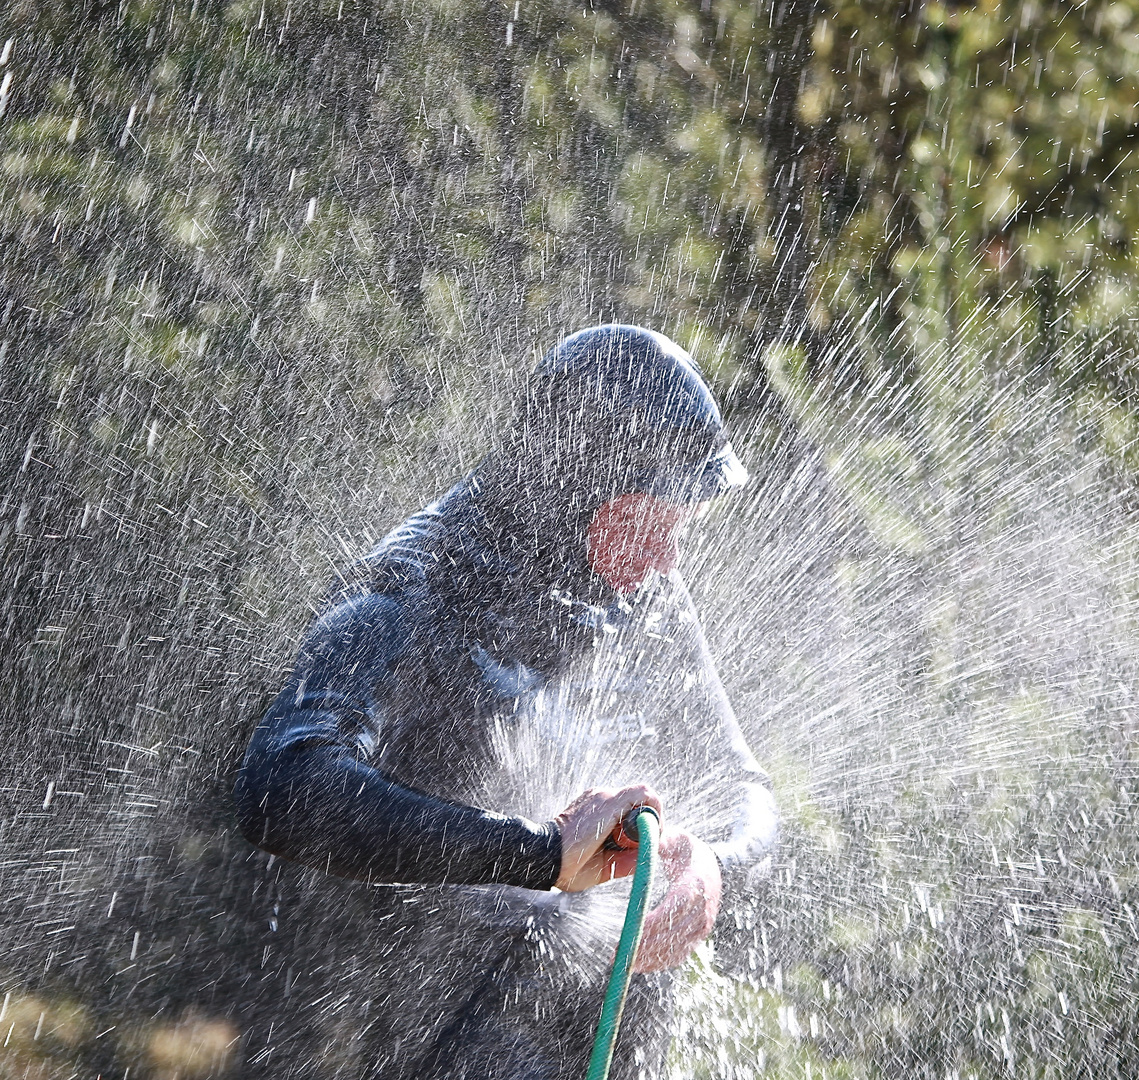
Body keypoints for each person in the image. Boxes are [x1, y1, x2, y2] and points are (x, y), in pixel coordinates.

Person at [235, 325, 777, 1080]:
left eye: (676, 530)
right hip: (444, 1031)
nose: (665, 560)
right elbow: (279, 787)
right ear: (568, 486)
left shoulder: (646, 594)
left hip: (614, 1030)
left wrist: (713, 865)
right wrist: (542, 854)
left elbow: (745, 788)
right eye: (642, 523)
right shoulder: (412, 591)